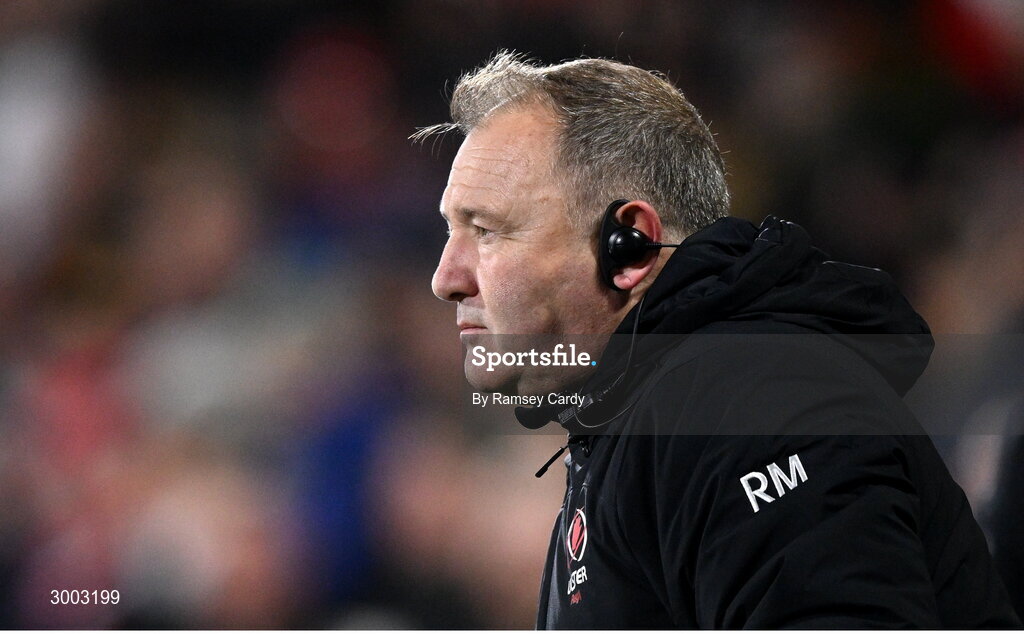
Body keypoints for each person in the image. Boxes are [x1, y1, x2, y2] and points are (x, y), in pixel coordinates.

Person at [419, 51, 1020, 628]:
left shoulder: (748, 404)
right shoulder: (642, 418)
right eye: (452, 232)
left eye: (488, 231)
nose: (446, 279)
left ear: (628, 248)